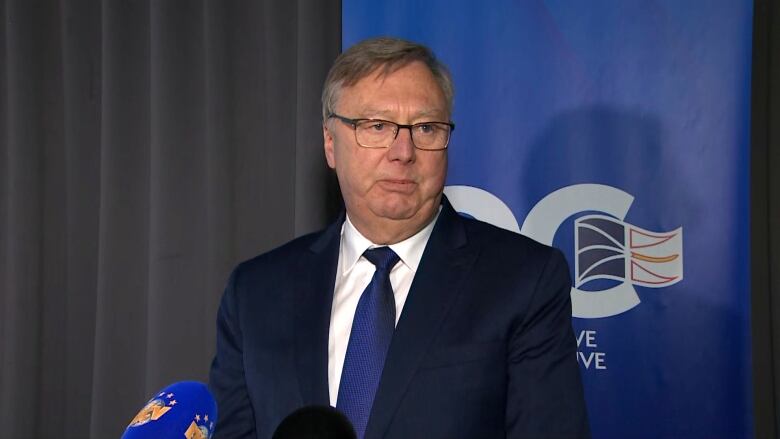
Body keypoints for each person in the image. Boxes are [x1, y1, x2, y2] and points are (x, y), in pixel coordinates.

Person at [209, 37, 590, 439]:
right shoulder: (256, 291)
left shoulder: (523, 280)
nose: (403, 151)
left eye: (426, 128)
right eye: (376, 126)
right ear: (330, 144)